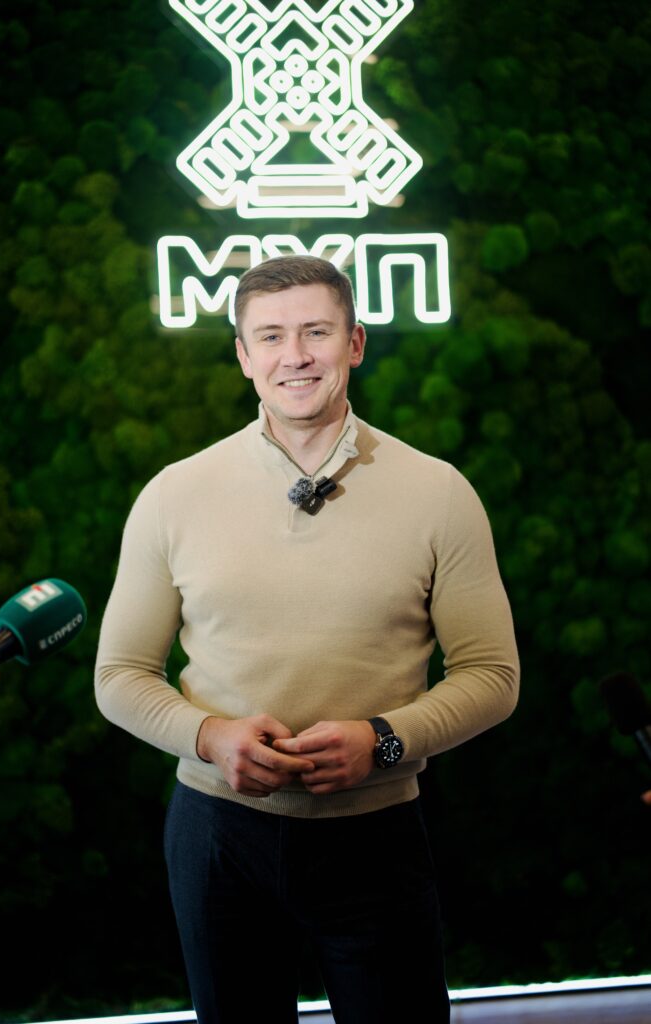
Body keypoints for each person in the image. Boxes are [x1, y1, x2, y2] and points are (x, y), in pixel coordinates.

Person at [95, 255, 520, 1024]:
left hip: (376, 832)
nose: (294, 355)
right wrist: (209, 737)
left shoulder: (438, 492)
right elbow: (119, 675)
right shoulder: (173, 493)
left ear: (354, 344)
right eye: (270, 336)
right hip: (216, 834)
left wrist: (382, 740)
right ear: (243, 355)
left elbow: (492, 676)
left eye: (316, 332)